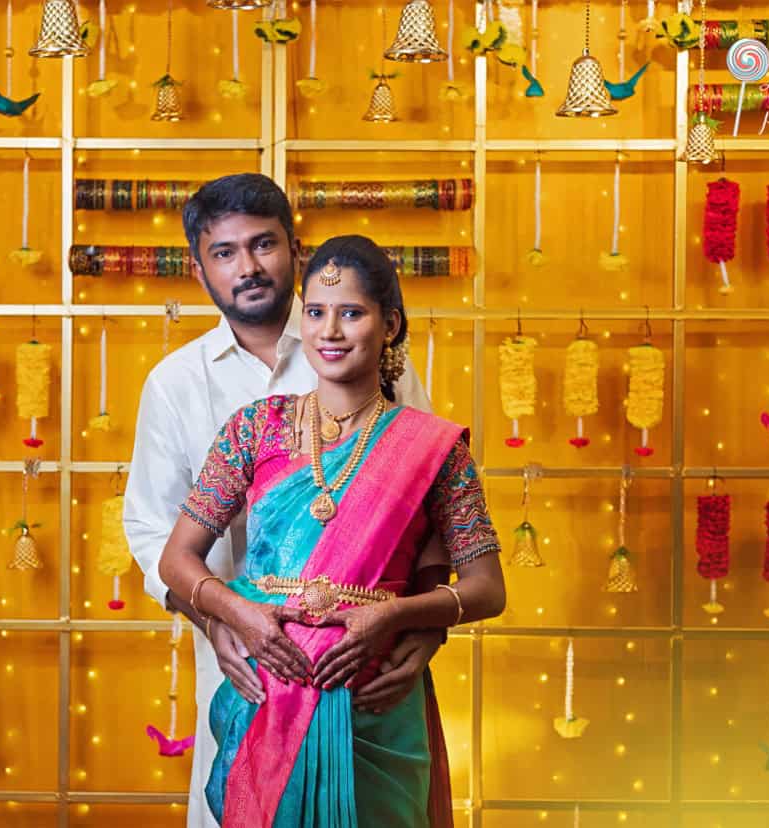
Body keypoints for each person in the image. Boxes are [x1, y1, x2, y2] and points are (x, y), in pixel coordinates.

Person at [124, 175, 447, 828]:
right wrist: (221, 619)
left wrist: (425, 627)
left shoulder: (375, 355)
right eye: (225, 252)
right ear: (198, 267)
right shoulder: (176, 384)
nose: (247, 267)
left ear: (296, 251)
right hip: (243, 665)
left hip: (369, 665)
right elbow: (151, 530)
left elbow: (429, 498)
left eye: (264, 244)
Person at [158, 235, 506, 827]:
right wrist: (235, 614)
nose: (330, 331)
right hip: (268, 693)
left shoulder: (434, 449)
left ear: (388, 323)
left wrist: (395, 618)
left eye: (351, 313)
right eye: (316, 313)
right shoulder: (255, 430)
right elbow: (176, 561)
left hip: (376, 699)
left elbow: (486, 589)